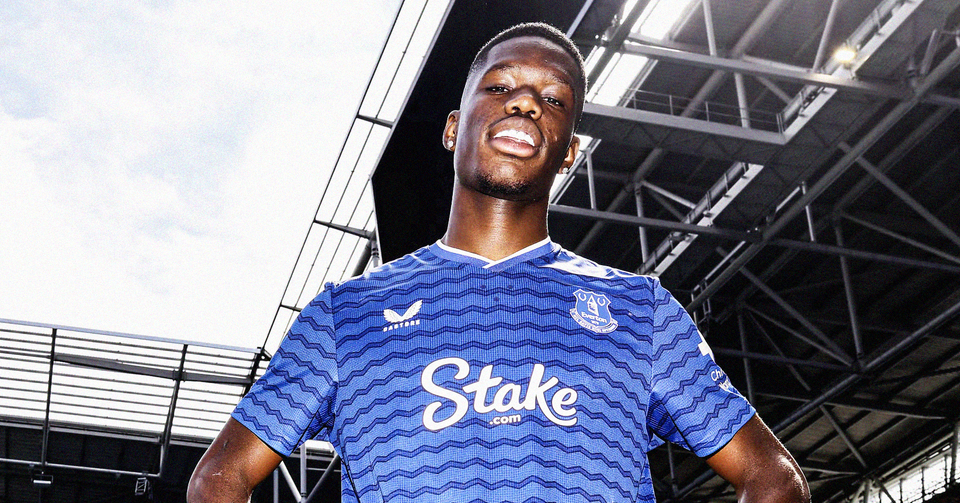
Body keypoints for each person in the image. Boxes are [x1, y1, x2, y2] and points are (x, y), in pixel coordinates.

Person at [188, 22, 810, 503]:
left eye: (554, 99)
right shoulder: (345, 314)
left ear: (568, 154)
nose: (527, 103)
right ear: (453, 127)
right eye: (500, 87)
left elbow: (773, 477)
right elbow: (220, 477)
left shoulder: (638, 312)